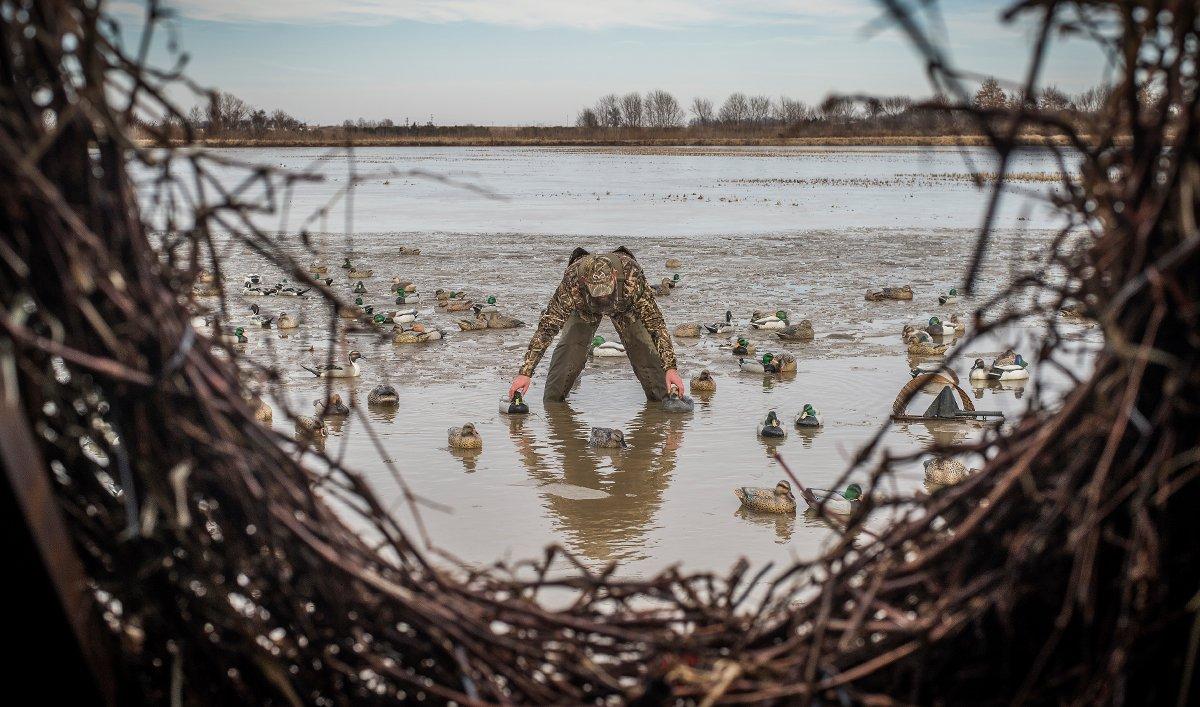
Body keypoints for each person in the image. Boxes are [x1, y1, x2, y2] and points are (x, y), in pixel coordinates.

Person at [507, 247, 684, 402]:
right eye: (598, 294)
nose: (603, 299)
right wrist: (525, 372)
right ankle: (554, 410)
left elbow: (656, 324)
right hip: (584, 310)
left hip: (625, 307)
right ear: (584, 281)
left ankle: (665, 402)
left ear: (615, 277)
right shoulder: (572, 282)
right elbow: (547, 328)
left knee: (646, 353)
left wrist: (671, 368)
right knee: (567, 357)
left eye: (605, 293)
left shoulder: (631, 275)